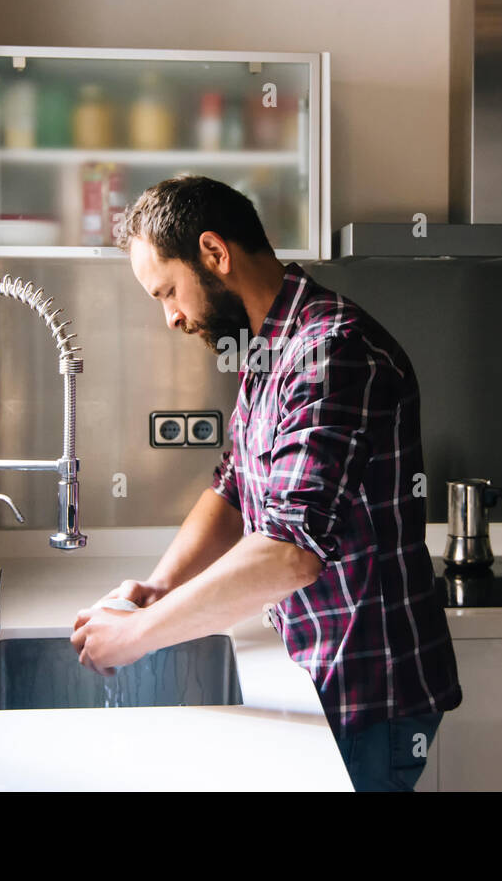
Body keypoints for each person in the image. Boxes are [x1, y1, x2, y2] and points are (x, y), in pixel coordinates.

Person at [70, 175, 461, 791]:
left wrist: (137, 636)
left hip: (367, 695)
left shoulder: (332, 350)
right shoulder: (271, 346)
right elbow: (233, 490)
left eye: (168, 291)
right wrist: (157, 587)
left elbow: (286, 553)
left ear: (214, 254)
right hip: (320, 673)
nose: (170, 316)